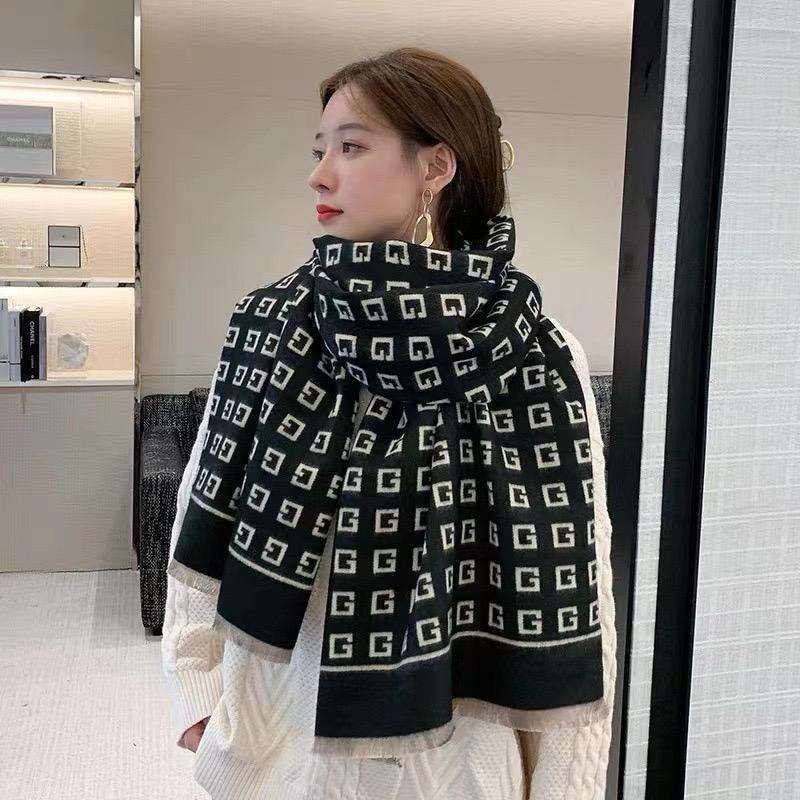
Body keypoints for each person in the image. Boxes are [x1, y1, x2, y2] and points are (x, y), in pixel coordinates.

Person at [162, 46, 617, 800]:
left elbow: (578, 571)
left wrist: (568, 783)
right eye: (319, 150)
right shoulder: (275, 324)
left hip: (461, 759)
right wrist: (195, 689)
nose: (319, 175)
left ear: (435, 166)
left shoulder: (535, 351)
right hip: (282, 742)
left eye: (350, 147)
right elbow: (203, 504)